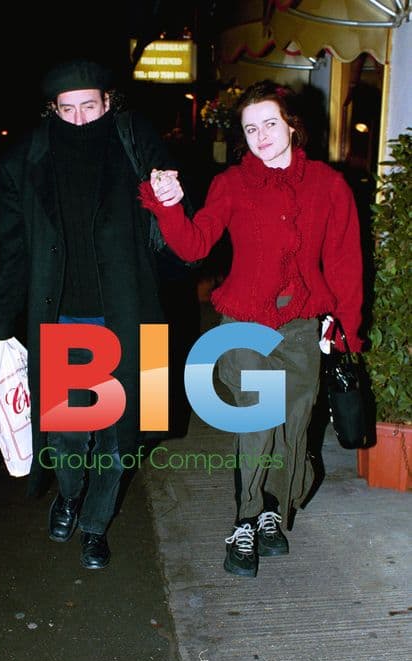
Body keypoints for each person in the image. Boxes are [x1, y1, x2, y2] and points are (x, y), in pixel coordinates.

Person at [140, 79, 363, 578]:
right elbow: (196, 245)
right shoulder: (233, 184)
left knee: (296, 428)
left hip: (305, 326)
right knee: (258, 422)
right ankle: (244, 520)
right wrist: (171, 207)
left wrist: (345, 330)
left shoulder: (329, 186)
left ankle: (271, 514)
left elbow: (345, 261)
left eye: (269, 123)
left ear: (291, 125)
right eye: (250, 128)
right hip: (244, 324)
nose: (261, 136)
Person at [0, 59, 183, 570]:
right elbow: (12, 249)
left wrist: (172, 197)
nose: (78, 120)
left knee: (125, 434)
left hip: (134, 311)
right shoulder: (24, 160)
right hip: (66, 318)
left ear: (108, 102)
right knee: (69, 432)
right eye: (67, 110)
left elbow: (172, 202)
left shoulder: (133, 141)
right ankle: (70, 496)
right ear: (52, 109)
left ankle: (94, 526)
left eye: (89, 107)